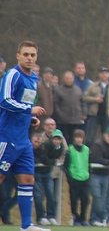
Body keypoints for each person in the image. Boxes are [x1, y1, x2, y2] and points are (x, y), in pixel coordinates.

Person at [0, 40, 50, 231]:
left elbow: (21, 105)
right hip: (6, 137)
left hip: (23, 140)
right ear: (18, 55)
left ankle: (26, 225)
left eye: (33, 55)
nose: (29, 58)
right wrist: (29, 110)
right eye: (26, 54)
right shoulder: (13, 74)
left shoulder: (33, 78)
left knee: (27, 179)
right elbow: (4, 101)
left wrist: (29, 119)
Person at [88, 126, 109, 226]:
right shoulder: (97, 145)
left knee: (103, 198)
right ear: (104, 135)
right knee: (97, 197)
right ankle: (100, 217)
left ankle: (95, 219)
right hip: (95, 174)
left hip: (106, 175)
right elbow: (96, 159)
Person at [33, 129, 64, 225]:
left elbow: (52, 159)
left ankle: (51, 216)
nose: (57, 141)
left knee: (51, 195)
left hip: (47, 172)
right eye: (55, 139)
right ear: (51, 139)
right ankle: (41, 217)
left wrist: (52, 161)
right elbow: (44, 159)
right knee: (38, 196)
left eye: (59, 139)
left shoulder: (61, 147)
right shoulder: (45, 145)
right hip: (37, 172)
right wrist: (53, 162)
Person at [82, 67, 109, 144]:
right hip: (94, 114)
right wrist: (95, 99)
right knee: (90, 137)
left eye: (106, 73)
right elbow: (85, 97)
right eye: (102, 73)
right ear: (99, 75)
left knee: (106, 137)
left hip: (107, 115)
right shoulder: (92, 86)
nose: (104, 75)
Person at [65, 129, 91, 227]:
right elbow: (66, 166)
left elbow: (89, 164)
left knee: (85, 199)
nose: (79, 140)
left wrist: (89, 176)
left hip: (85, 178)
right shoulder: (70, 150)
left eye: (81, 137)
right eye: (77, 137)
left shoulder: (87, 150)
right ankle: (75, 218)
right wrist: (69, 179)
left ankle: (83, 218)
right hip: (74, 179)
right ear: (74, 138)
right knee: (74, 200)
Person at [53, 71, 85, 146]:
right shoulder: (58, 90)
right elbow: (56, 104)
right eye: (67, 78)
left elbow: (83, 102)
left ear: (73, 79)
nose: (69, 80)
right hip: (63, 120)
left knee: (74, 139)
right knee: (64, 139)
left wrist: (83, 113)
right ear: (64, 79)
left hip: (76, 120)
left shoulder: (78, 89)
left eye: (70, 78)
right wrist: (60, 115)